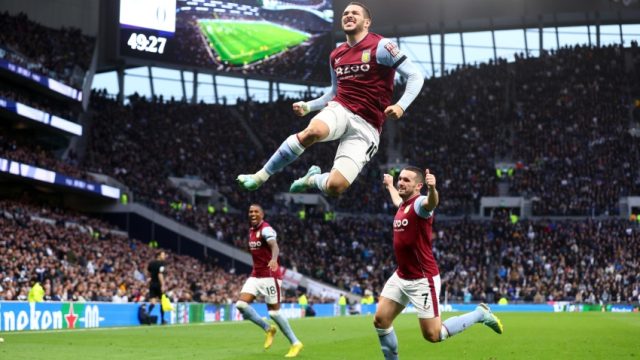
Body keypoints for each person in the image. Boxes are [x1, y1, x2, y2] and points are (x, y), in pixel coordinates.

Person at [237, 2, 424, 197]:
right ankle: (260, 176)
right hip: (340, 108)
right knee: (313, 131)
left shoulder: (382, 46)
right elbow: (335, 92)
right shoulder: (336, 55)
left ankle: (310, 179)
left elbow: (415, 75)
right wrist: (308, 106)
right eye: (345, 13)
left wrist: (401, 106)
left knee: (336, 187)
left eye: (355, 13)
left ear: (367, 22)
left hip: (368, 126)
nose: (349, 15)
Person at [374, 167, 503, 360]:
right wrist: (390, 186)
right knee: (381, 320)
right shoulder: (404, 205)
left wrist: (433, 189)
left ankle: (480, 313)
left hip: (422, 280)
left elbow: (431, 203)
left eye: (406, 180)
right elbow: (397, 200)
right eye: (400, 179)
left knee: (433, 335)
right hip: (401, 275)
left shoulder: (419, 204)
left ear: (419, 186)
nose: (401, 182)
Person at [234, 204, 303, 358]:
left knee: (274, 312)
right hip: (256, 275)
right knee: (241, 304)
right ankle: (268, 329)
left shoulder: (266, 229)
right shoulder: (251, 231)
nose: (252, 213)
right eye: (250, 211)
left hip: (270, 276)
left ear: (262, 214)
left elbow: (274, 246)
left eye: (256, 211)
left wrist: (273, 259)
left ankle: (295, 342)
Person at [147, 250, 167, 324]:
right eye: (163, 255)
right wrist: (163, 285)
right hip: (158, 284)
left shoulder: (151, 263)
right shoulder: (161, 264)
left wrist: (150, 278)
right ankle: (162, 320)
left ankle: (148, 314)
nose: (164, 256)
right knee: (162, 302)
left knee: (153, 301)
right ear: (158, 255)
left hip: (152, 284)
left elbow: (148, 272)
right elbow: (160, 274)